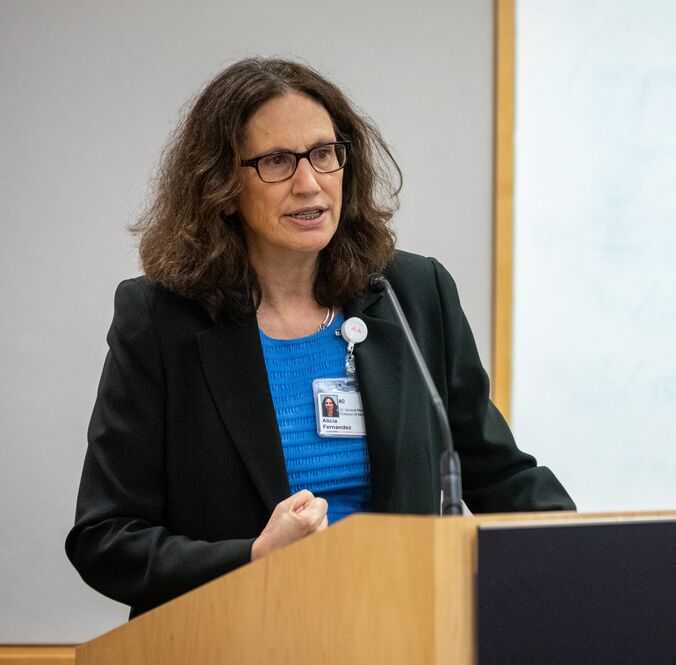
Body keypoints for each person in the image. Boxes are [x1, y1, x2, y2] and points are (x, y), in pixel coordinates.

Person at [66, 57, 574, 618]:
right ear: (222, 185)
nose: (309, 183)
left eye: (324, 154)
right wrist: (254, 558)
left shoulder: (411, 294)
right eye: (277, 162)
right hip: (238, 643)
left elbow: (497, 474)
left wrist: (591, 551)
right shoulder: (161, 320)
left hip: (399, 635)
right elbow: (106, 538)